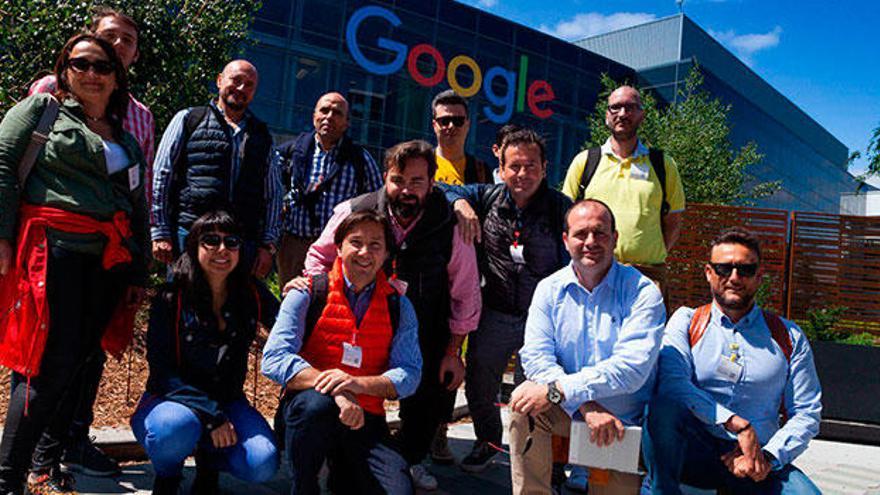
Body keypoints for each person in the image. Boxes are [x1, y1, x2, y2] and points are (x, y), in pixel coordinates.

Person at [0, 33, 149, 494]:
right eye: (81, 64)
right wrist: (1, 237)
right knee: (44, 366)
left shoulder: (126, 138)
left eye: (102, 67)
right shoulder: (41, 110)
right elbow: (3, 163)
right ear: (64, 70)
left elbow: (138, 205)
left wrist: (140, 272)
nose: (91, 73)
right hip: (54, 253)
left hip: (107, 264)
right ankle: (8, 477)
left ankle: (37, 464)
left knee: (74, 365)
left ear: (116, 78)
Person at [297, 139, 481, 490]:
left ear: (431, 183)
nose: (407, 190)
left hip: (427, 325)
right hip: (361, 322)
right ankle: (332, 453)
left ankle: (409, 460)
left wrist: (453, 351)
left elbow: (465, 291)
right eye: (398, 180)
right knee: (340, 386)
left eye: (417, 182)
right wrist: (312, 290)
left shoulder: (450, 222)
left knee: (427, 397)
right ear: (385, 178)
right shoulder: (356, 209)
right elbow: (318, 257)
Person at [642, 227, 822, 494]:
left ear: (759, 277)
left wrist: (768, 457)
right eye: (724, 269)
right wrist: (736, 423)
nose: (734, 278)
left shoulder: (789, 336)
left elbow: (806, 412)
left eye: (745, 270)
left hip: (758, 459)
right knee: (663, 405)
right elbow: (673, 384)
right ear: (708, 273)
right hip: (695, 452)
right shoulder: (687, 321)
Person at [507, 200, 665, 495]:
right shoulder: (549, 289)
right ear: (566, 241)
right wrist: (585, 405)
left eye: (600, 233)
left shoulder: (643, 293)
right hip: (568, 411)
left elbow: (630, 371)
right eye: (581, 234)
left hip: (620, 423)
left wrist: (565, 392)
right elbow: (536, 358)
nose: (590, 242)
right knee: (523, 405)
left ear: (615, 239)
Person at [438, 128, 571, 472]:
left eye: (530, 166)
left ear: (544, 167)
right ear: (501, 166)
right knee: (481, 384)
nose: (522, 174)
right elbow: (443, 187)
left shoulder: (560, 208)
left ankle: (537, 460)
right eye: (514, 166)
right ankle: (488, 442)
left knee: (536, 393)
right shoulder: (487, 198)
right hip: (494, 312)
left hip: (540, 321)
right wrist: (460, 203)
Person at [262, 210, 421, 495]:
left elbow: (409, 374)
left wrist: (357, 384)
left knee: (398, 490)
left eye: (375, 245)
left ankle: (342, 474)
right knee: (316, 407)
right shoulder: (308, 293)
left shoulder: (399, 306)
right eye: (355, 242)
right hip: (310, 411)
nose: (364, 252)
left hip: (366, 418)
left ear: (386, 254)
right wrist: (337, 389)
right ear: (338, 247)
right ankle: (305, 487)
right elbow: (275, 358)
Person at [132, 211, 279, 495]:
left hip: (227, 400)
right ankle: (168, 475)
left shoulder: (250, 293)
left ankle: (209, 464)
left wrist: (304, 292)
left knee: (262, 462)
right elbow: (163, 373)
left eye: (231, 242)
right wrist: (212, 417)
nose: (222, 249)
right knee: (174, 429)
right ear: (194, 247)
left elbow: (288, 325)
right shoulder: (171, 297)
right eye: (210, 241)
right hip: (172, 401)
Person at [151, 60, 282, 278]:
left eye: (249, 84)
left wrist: (268, 245)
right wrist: (160, 231)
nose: (241, 88)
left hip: (240, 241)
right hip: (190, 233)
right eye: (236, 80)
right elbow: (161, 175)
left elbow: (274, 194)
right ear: (220, 80)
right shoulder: (188, 119)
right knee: (183, 304)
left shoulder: (263, 136)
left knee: (230, 310)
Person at [560, 85, 685, 297]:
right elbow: (565, 215)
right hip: (594, 274)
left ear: (642, 115)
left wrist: (650, 249)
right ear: (607, 115)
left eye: (630, 107)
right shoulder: (585, 161)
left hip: (648, 276)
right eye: (615, 107)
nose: (622, 114)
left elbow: (674, 219)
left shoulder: (663, 165)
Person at [272, 92, 382, 286]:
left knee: (330, 307)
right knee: (291, 302)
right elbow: (270, 192)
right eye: (324, 110)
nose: (329, 116)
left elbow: (379, 205)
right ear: (314, 116)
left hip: (335, 251)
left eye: (337, 113)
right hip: (293, 245)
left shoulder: (361, 160)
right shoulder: (291, 152)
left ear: (346, 122)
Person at [431, 90, 493, 186]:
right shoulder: (421, 164)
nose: (451, 126)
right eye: (445, 121)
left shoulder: (481, 171)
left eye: (458, 121)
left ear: (467, 125)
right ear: (434, 125)